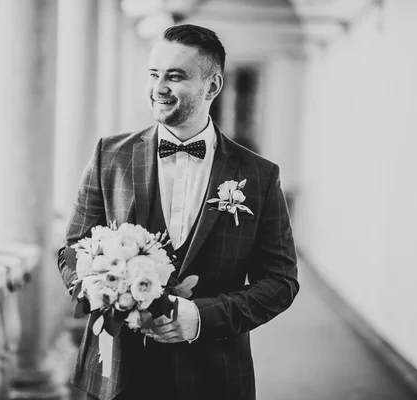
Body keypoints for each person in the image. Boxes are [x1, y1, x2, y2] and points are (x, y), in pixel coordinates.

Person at [57, 24, 299, 400]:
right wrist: (113, 293)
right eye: (154, 74)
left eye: (175, 76)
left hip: (214, 377)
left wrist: (202, 318)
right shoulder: (110, 155)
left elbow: (281, 282)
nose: (159, 88)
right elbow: (72, 250)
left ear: (212, 86)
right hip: (118, 372)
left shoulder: (259, 175)